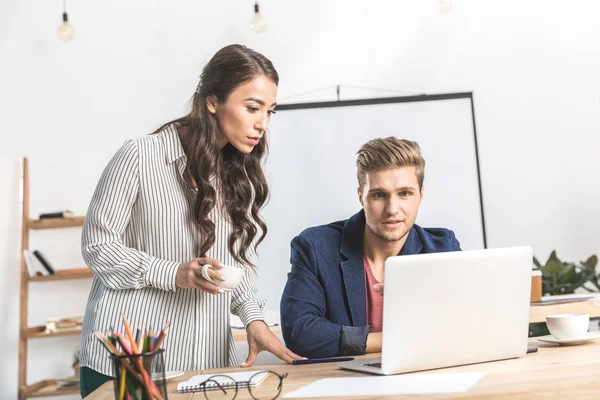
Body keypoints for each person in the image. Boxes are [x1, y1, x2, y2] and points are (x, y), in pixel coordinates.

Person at [79, 44, 301, 397]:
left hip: (206, 358)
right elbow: (97, 247)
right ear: (213, 101)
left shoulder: (233, 173)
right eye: (252, 108)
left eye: (270, 111)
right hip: (133, 357)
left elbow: (228, 265)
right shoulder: (140, 155)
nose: (262, 123)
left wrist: (252, 317)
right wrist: (176, 273)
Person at [280, 137, 461, 358]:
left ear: (421, 195)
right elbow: (300, 332)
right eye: (379, 195)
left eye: (404, 193)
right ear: (360, 196)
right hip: (344, 383)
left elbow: (470, 322)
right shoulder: (315, 247)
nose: (392, 209)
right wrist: (392, 339)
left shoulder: (443, 248)